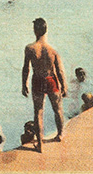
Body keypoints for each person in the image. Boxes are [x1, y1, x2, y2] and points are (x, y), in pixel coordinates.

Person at [21, 18, 67, 152]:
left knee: (38, 112)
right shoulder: (52, 51)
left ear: (35, 31)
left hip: (37, 80)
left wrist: (24, 85)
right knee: (58, 109)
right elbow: (59, 70)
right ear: (46, 30)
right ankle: (60, 134)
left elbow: (26, 68)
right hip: (50, 80)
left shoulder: (29, 48)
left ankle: (40, 144)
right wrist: (64, 86)